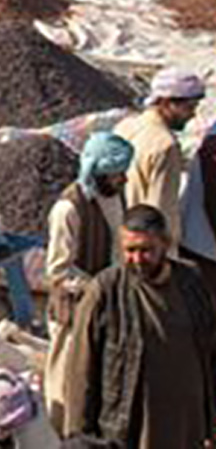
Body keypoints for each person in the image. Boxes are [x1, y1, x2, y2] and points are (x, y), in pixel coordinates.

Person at [65, 203, 216, 448]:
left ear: (165, 244)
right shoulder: (105, 291)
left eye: (146, 250)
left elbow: (210, 349)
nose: (137, 259)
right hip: (129, 427)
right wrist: (78, 438)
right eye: (129, 250)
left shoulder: (191, 281)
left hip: (188, 426)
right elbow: (81, 371)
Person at [46, 132, 132, 435]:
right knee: (65, 380)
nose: (123, 179)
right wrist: (98, 287)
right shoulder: (68, 209)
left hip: (109, 303)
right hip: (74, 309)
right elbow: (59, 271)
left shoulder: (116, 195)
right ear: (96, 172)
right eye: (116, 174)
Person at [116, 67, 203, 245]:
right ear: (165, 102)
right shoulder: (165, 145)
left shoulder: (126, 127)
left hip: (122, 237)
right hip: (148, 245)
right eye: (188, 108)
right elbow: (159, 211)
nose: (193, 115)